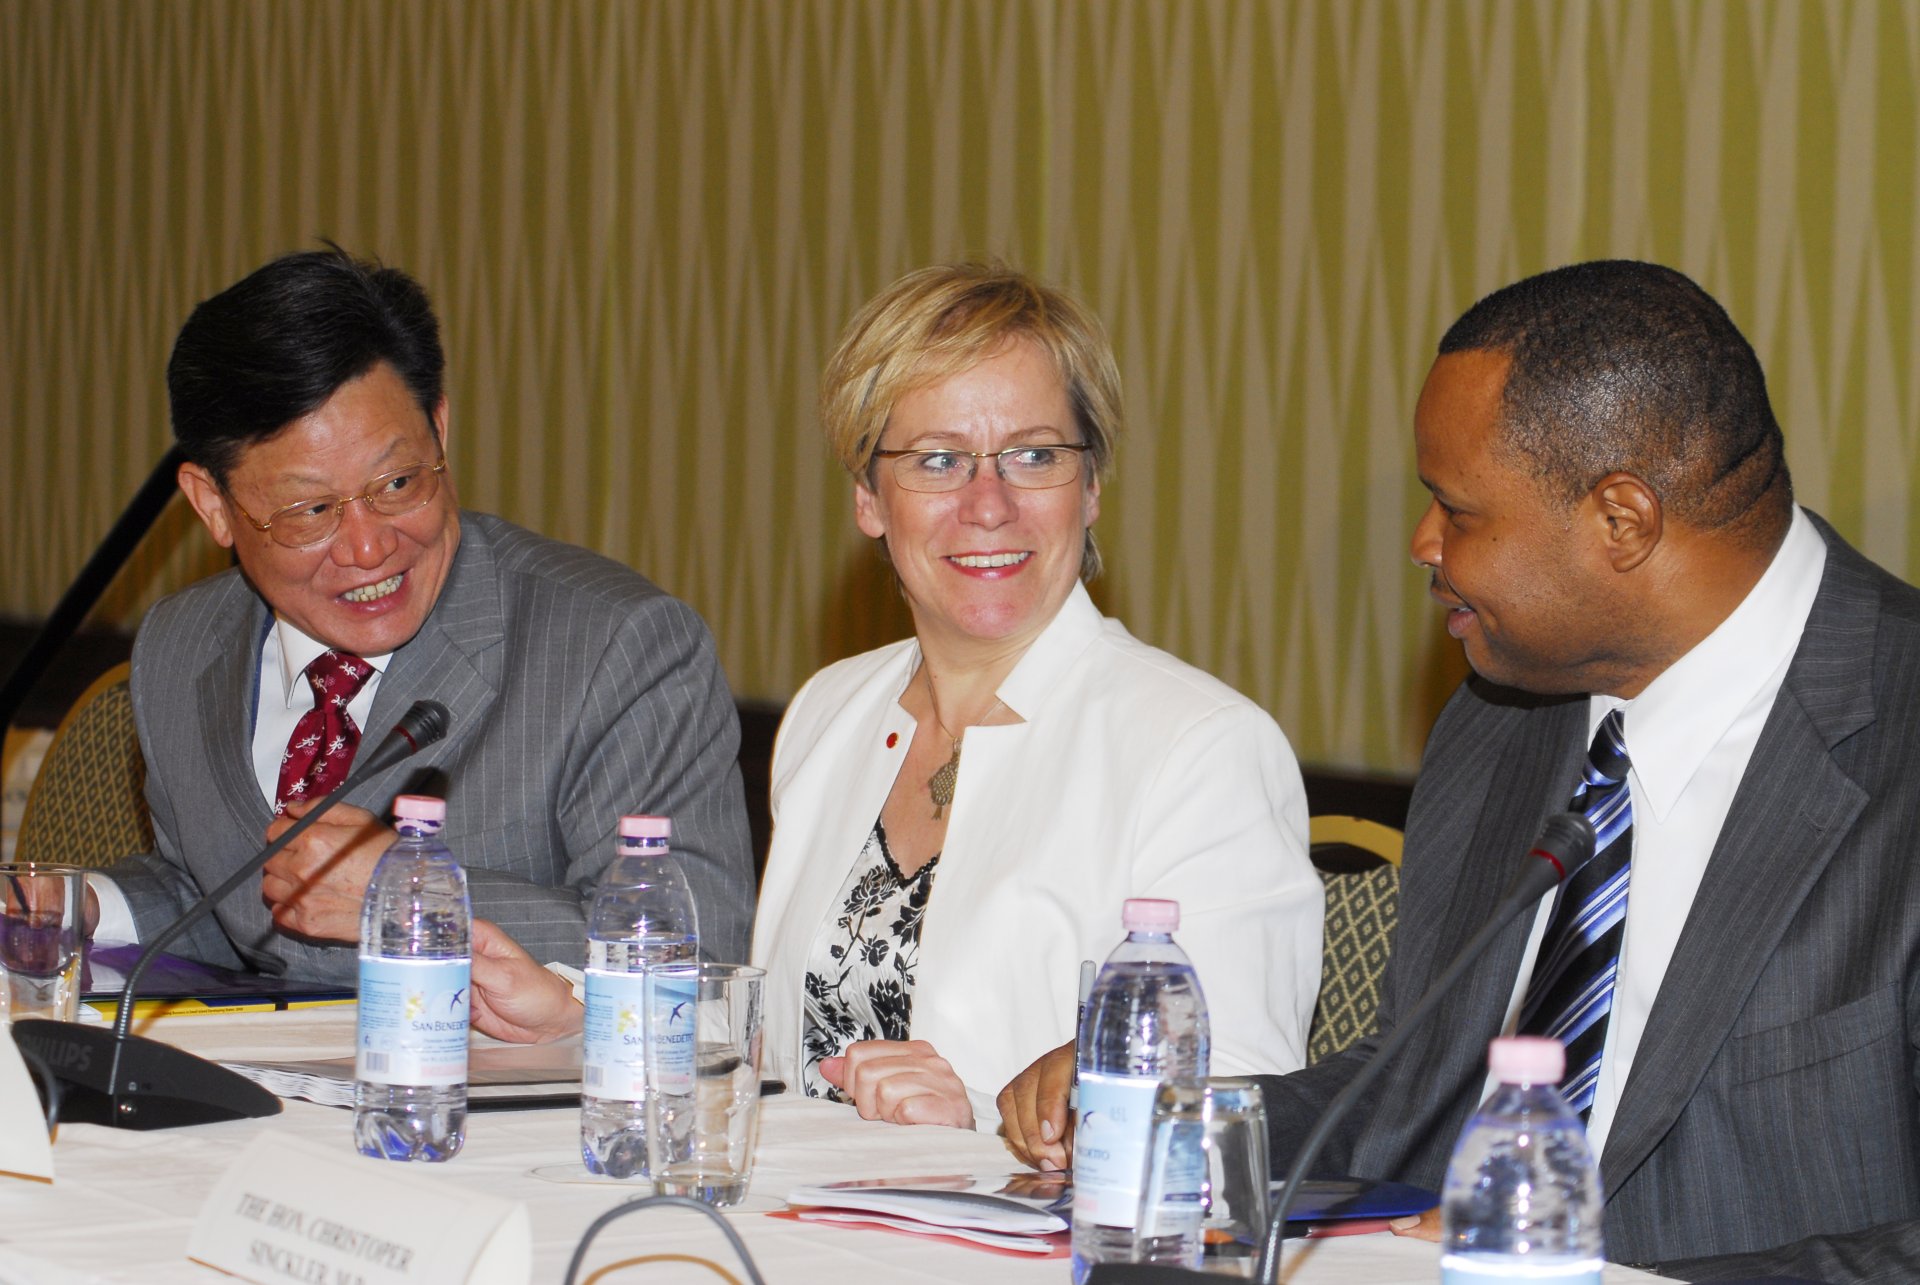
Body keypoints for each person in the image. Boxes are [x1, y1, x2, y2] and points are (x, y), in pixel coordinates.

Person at [1000, 259, 1920, 1279]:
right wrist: (1187, 1128)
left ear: (1624, 520)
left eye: (1459, 510)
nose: (1423, 542)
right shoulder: (1499, 718)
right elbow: (1411, 1093)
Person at [468, 263, 1324, 1134]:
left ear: (1092, 486)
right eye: (938, 460)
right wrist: (585, 1018)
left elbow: (1241, 1111)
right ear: (869, 499)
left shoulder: (1203, 747)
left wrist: (984, 1127)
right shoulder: (832, 712)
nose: (988, 504)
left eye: (1034, 454)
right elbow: (782, 1054)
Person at [92, 245, 756, 984]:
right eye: (311, 510)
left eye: (398, 481)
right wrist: (80, 905)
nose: (370, 545)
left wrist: (414, 894)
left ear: (439, 427)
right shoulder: (180, 647)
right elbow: (227, 906)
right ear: (212, 504)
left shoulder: (616, 646)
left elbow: (694, 950)